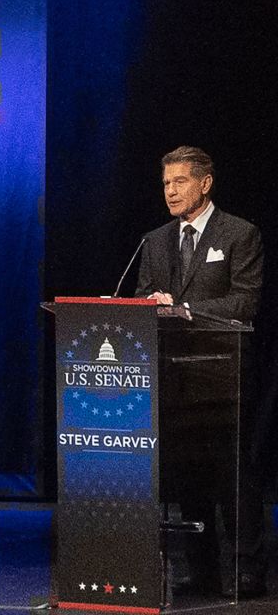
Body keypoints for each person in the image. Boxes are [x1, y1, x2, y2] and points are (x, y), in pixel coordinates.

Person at [135, 145, 265, 598]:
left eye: (180, 182)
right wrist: (150, 306)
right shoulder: (154, 241)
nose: (170, 192)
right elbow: (144, 296)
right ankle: (200, 566)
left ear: (205, 183)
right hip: (174, 377)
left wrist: (185, 309)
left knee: (232, 475)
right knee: (186, 471)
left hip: (223, 373)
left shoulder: (239, 234)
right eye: (166, 183)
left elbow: (244, 301)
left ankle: (247, 567)